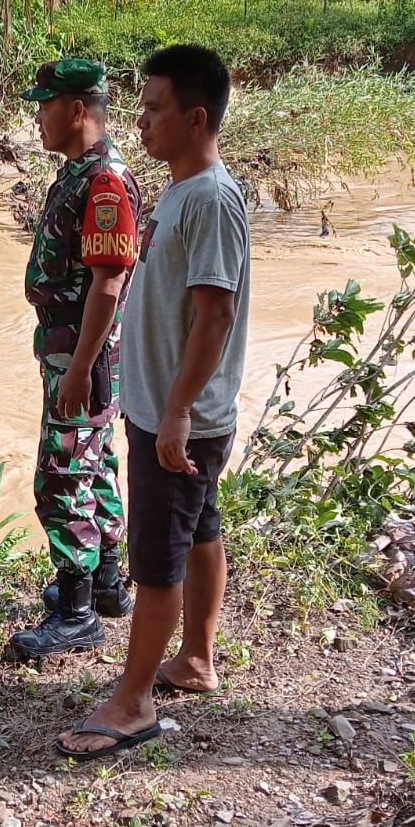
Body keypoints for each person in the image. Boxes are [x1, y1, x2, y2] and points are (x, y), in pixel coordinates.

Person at [56, 44, 249, 759]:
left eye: (155, 108)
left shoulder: (211, 199)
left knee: (157, 559)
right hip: (172, 411)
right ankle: (195, 659)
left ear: (196, 118)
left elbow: (215, 315)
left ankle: (132, 702)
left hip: (180, 418)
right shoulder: (181, 188)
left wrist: (176, 410)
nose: (140, 121)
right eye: (140, 106)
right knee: (200, 530)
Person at [9, 58, 142, 659]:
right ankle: (107, 584)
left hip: (83, 352)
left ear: (76, 111)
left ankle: (78, 612)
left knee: (61, 477)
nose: (37, 119)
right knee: (95, 462)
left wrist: (82, 367)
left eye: (44, 107)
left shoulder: (105, 182)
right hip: (78, 349)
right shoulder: (81, 173)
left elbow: (108, 285)